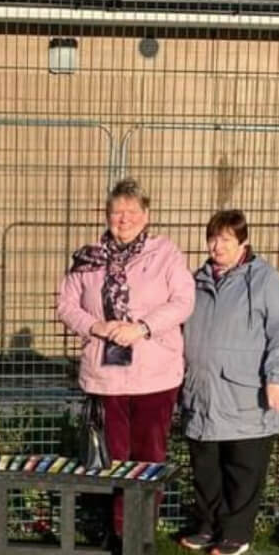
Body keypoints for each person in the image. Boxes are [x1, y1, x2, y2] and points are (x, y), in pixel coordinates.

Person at [56, 178, 195, 535]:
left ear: (146, 215)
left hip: (155, 375)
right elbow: (67, 306)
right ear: (106, 216)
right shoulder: (87, 259)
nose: (124, 218)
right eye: (117, 212)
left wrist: (142, 327)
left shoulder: (166, 254)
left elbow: (183, 301)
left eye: (132, 211)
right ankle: (118, 530)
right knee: (113, 456)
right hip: (107, 376)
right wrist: (97, 327)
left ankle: (141, 530)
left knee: (149, 456)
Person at [178, 210, 279, 555]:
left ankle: (235, 532)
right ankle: (206, 525)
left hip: (246, 393)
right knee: (206, 468)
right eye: (213, 238)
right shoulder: (196, 280)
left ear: (243, 242)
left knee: (243, 469)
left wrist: (277, 378)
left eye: (226, 239)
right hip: (202, 391)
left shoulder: (264, 281)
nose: (217, 246)